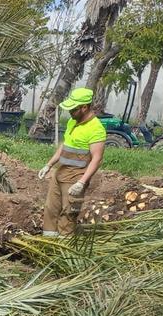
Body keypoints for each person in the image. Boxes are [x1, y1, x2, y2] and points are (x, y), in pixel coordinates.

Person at [36, 88, 106, 237]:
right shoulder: (72, 122)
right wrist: (49, 165)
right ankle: (48, 244)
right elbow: (64, 146)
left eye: (73, 109)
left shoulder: (96, 129)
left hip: (75, 176)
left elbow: (97, 159)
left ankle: (64, 249)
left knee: (68, 214)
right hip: (60, 172)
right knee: (51, 209)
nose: (70, 112)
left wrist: (81, 182)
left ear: (84, 107)